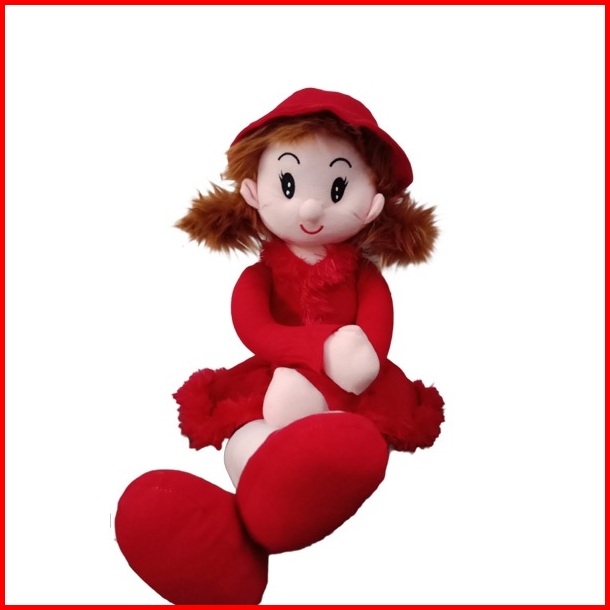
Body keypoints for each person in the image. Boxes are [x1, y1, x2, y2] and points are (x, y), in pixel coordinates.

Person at [116, 88, 444, 605]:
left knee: (343, 438)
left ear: (374, 202)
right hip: (276, 378)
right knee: (253, 435)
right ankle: (257, 517)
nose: (311, 205)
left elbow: (375, 338)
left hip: (350, 387)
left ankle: (280, 508)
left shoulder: (365, 278)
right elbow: (254, 328)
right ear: (253, 191)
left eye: (338, 187)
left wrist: (355, 361)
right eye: (287, 184)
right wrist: (319, 348)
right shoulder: (260, 276)